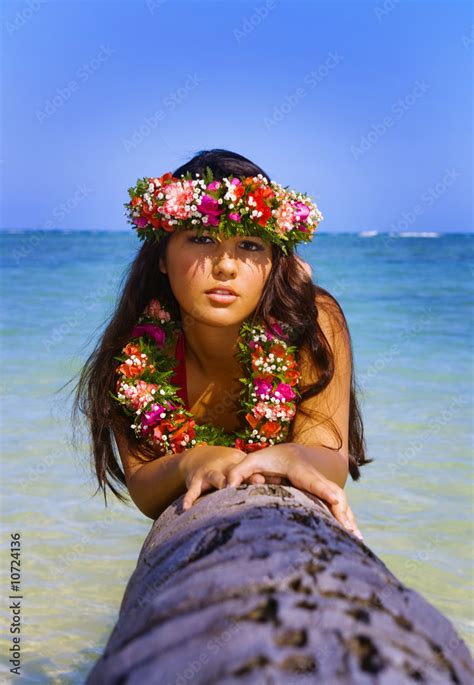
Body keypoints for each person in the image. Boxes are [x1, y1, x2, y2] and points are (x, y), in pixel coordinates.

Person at [72, 148, 372, 540]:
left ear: (274, 260)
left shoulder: (313, 320)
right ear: (162, 255)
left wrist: (288, 457)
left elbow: (330, 457)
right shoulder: (134, 349)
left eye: (250, 245)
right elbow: (143, 483)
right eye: (201, 238)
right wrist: (191, 462)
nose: (226, 266)